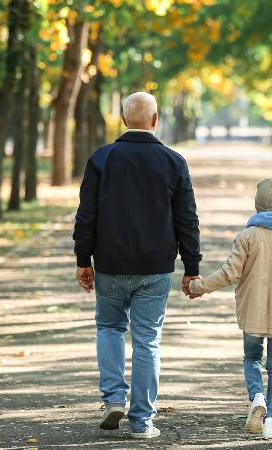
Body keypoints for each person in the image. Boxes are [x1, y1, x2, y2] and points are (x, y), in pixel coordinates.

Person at [73, 91, 202, 440]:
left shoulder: (102, 158)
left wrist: (83, 260)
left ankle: (114, 398)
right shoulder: (173, 162)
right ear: (156, 120)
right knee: (147, 340)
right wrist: (192, 267)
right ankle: (142, 420)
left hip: (110, 264)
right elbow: (187, 220)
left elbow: (86, 215)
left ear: (123, 118)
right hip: (156, 267)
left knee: (109, 328)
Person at [187, 177, 272, 440]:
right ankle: (271, 421)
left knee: (252, 358)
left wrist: (199, 287)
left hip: (252, 312)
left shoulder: (246, 237)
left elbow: (228, 273)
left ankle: (257, 396)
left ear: (257, 205)